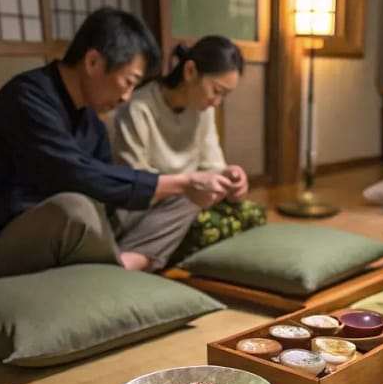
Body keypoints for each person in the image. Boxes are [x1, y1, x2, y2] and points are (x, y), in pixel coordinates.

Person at [0, 8, 237, 281]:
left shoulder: (90, 119)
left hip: (75, 233)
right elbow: (77, 176)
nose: (127, 96)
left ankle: (120, 264)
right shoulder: (27, 100)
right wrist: (182, 180)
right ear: (93, 62)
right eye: (128, 81)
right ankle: (112, 268)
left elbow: (106, 195)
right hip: (7, 235)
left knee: (182, 198)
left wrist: (184, 188)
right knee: (74, 206)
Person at [110, 36, 266, 262]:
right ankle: (133, 260)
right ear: (190, 70)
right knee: (192, 206)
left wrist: (231, 177)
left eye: (224, 96)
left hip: (189, 201)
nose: (217, 102)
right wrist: (187, 185)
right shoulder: (139, 107)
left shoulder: (204, 110)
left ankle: (141, 256)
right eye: (216, 90)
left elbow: (213, 165)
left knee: (252, 214)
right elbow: (134, 183)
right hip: (147, 207)